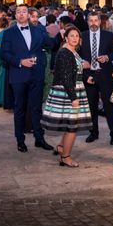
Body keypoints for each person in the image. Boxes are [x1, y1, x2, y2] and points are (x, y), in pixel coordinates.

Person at [0, 4, 56, 153]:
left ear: (29, 15)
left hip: (36, 74)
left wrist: (61, 34)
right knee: (19, 109)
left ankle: (39, 138)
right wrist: (20, 62)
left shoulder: (38, 30)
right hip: (18, 75)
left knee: (37, 108)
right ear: (15, 15)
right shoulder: (9, 33)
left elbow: (50, 44)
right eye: (18, 12)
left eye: (24, 12)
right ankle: (20, 140)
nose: (21, 14)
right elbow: (4, 54)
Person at [41, 26, 92, 167]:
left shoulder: (73, 52)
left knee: (70, 124)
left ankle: (61, 147)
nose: (75, 38)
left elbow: (74, 71)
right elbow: (65, 77)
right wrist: (73, 97)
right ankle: (65, 157)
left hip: (73, 89)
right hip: (68, 93)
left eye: (77, 36)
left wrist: (85, 79)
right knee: (72, 127)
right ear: (66, 38)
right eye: (72, 36)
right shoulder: (64, 53)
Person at [79, 12, 113, 145]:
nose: (93, 23)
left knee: (109, 106)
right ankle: (93, 132)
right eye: (90, 20)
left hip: (105, 74)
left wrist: (108, 57)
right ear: (88, 22)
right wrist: (81, 63)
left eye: (95, 20)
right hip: (89, 74)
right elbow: (77, 54)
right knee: (91, 106)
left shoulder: (108, 36)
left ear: (99, 22)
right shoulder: (82, 36)